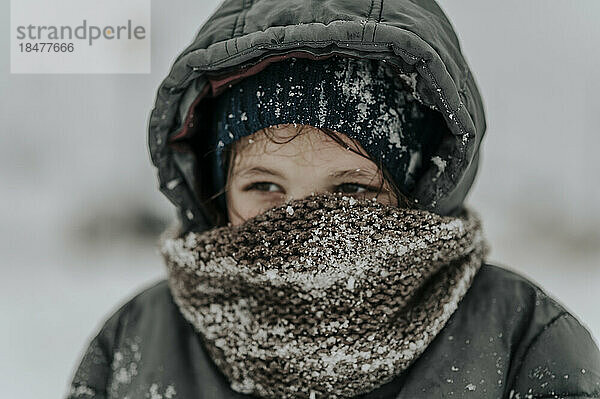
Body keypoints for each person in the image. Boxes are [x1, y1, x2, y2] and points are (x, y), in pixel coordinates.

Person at [66, 0, 600, 398]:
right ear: (217, 192)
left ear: (415, 191)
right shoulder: (136, 344)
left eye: (350, 189)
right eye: (264, 187)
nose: (303, 224)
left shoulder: (520, 342)